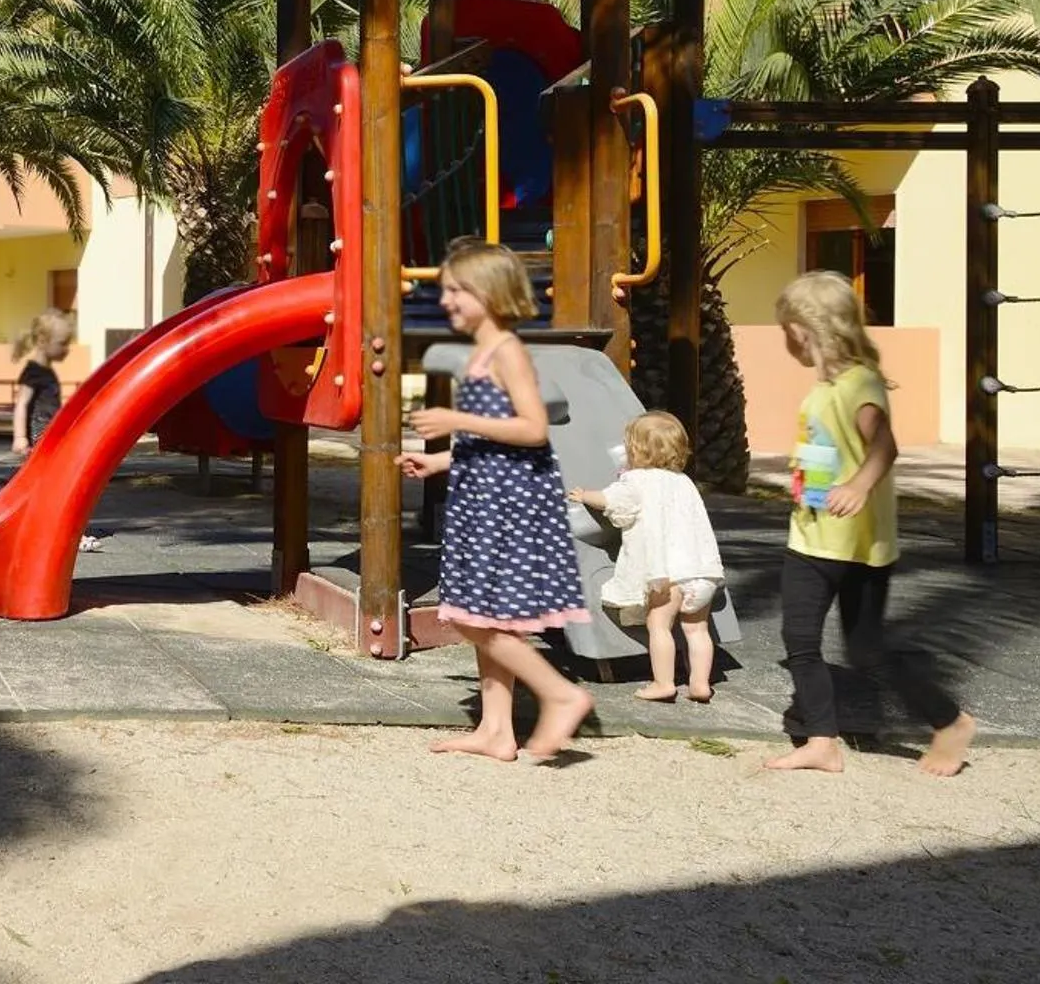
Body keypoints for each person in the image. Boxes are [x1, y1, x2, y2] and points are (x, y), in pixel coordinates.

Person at [765, 271, 977, 776]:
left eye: (787, 327)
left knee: (867, 651)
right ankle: (822, 741)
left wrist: (858, 485)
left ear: (806, 328)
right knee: (800, 638)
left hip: (855, 544)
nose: (784, 337)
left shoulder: (859, 383)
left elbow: (885, 444)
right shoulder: (827, 386)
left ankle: (949, 721)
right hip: (811, 536)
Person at [400, 242, 594, 761]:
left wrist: (455, 422)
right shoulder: (482, 354)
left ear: (488, 293)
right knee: (488, 615)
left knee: (474, 620)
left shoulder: (508, 351)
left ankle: (559, 693)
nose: (447, 300)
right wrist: (443, 462)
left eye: (457, 290)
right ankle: (496, 732)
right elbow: (494, 439)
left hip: (509, 504)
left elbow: (533, 429)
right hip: (484, 495)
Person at [568, 411, 726, 703]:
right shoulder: (685, 483)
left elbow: (614, 503)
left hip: (668, 575)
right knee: (697, 630)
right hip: (702, 572)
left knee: (659, 627)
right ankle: (701, 683)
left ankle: (663, 683)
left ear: (635, 450)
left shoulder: (636, 481)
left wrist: (585, 495)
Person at [10, 309, 75, 458]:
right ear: (42, 341)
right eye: (62, 343)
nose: (66, 349)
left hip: (49, 436)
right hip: (37, 439)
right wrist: (20, 437)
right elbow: (21, 404)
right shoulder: (33, 372)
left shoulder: (47, 372)